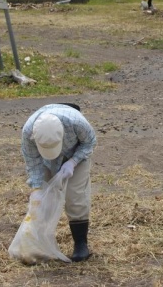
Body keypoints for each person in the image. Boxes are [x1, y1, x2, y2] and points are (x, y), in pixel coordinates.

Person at [20, 103, 97, 262]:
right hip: (46, 162)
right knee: (43, 201)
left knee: (75, 196)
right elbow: (33, 163)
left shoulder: (77, 123)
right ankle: (38, 245)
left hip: (77, 155)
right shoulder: (28, 132)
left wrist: (73, 162)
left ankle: (81, 244)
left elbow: (90, 142)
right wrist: (36, 190)